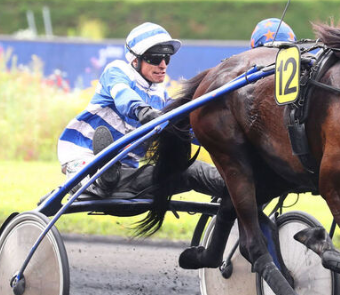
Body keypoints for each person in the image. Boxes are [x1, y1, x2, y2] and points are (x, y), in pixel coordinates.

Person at [57, 22, 226, 202]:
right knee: (94, 176)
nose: (163, 65)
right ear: (135, 60)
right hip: (83, 156)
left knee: (192, 171)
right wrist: (143, 112)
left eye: (167, 58)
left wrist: (218, 139)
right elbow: (124, 96)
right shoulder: (117, 71)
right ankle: (100, 178)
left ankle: (243, 186)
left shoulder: (160, 97)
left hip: (126, 173)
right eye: (155, 58)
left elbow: (187, 131)